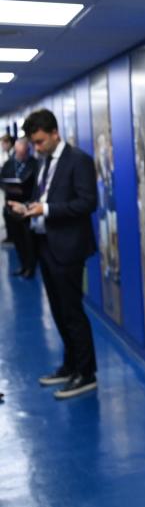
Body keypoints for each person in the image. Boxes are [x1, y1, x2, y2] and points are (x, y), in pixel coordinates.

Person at [7, 109, 98, 399]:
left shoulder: (79, 160)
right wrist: (28, 208)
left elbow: (87, 203)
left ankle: (86, 373)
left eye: (40, 141)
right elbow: (45, 196)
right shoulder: (44, 163)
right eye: (33, 143)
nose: (36, 147)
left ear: (55, 133)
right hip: (46, 245)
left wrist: (46, 210)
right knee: (58, 311)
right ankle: (70, 365)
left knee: (72, 312)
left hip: (69, 248)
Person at [1, 138, 39, 277]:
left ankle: (30, 267)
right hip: (11, 206)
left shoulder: (35, 164)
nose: (20, 156)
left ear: (28, 151)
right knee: (17, 238)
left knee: (28, 239)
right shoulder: (8, 164)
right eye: (18, 153)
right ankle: (23, 265)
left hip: (27, 206)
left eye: (23, 153)